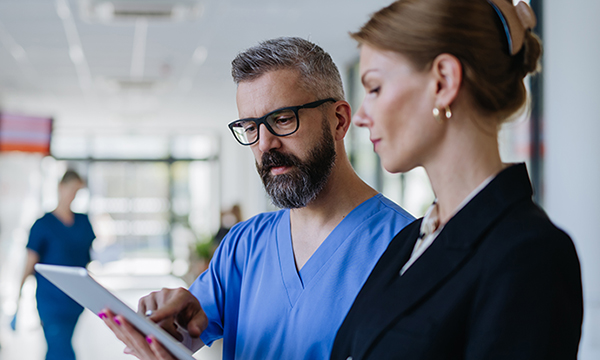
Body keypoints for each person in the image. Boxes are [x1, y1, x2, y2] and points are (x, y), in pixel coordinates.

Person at [100, 37, 415, 359]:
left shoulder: (407, 250)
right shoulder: (244, 244)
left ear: (339, 120)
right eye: (250, 127)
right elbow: (186, 331)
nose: (265, 144)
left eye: (282, 120)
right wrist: (167, 326)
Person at [330, 1, 583, 359]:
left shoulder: (531, 254)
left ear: (443, 81)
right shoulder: (409, 241)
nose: (361, 117)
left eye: (374, 88)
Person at [18, 169, 96, 360]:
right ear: (60, 188)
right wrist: (18, 294)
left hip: (76, 299)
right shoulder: (43, 224)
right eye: (70, 189)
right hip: (50, 299)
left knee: (60, 345)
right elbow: (30, 262)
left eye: (77, 191)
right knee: (60, 348)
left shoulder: (83, 221)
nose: (73, 195)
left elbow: (87, 259)